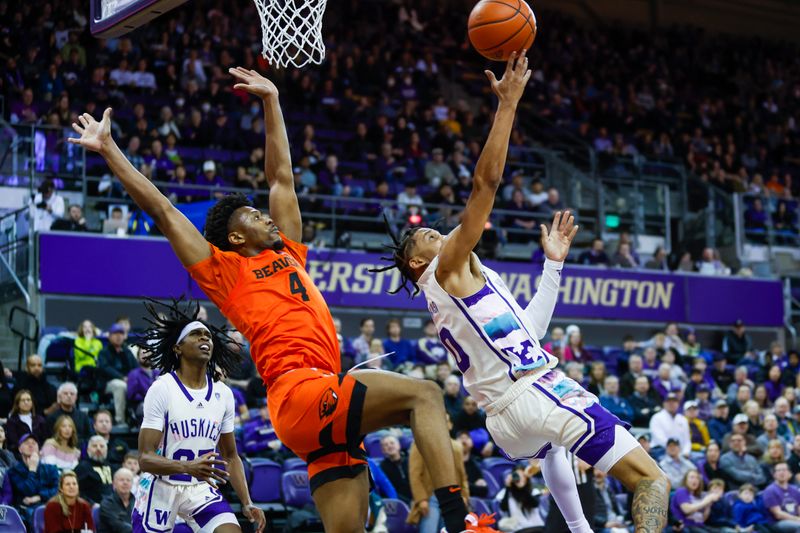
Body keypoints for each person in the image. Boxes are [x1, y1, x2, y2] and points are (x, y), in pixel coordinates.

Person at [71, 66, 473, 533]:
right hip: (300, 392)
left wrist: (272, 101)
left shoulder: (289, 251)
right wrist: (109, 149)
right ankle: (460, 521)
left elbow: (281, 177)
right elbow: (162, 209)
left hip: (321, 404)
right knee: (423, 393)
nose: (268, 216)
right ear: (237, 236)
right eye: (255, 215)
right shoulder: (226, 271)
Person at [372, 50, 669, 533]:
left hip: (506, 420)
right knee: (652, 481)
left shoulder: (462, 285)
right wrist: (507, 104)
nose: (435, 229)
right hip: (531, 390)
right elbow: (484, 184)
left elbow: (527, 331)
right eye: (427, 233)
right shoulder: (446, 268)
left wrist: (553, 266)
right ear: (417, 261)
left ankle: (578, 529)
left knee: (554, 445)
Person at [128, 300, 265, 532]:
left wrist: (246, 502)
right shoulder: (162, 388)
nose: (205, 338)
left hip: (199, 488)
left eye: (208, 335)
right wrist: (187, 467)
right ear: (177, 348)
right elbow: (145, 458)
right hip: (161, 486)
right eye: (196, 334)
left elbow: (231, 456)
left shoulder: (223, 394)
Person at [408, 428, 470, 533]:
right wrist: (421, 498)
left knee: (449, 530)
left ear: (450, 425)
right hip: (431, 496)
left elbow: (462, 475)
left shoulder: (456, 446)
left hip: (452, 495)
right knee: (429, 530)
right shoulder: (420, 444)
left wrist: (464, 495)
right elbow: (414, 474)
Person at [9, 434, 60, 524]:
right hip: (25, 511)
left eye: (34, 443)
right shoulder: (14, 471)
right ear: (20, 449)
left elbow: (58, 490)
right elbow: (27, 491)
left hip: (49, 505)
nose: (31, 445)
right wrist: (32, 470)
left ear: (39, 449)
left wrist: (39, 497)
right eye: (26, 443)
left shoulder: (51, 469)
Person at [97, 323, 138, 426]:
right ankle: (120, 420)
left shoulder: (127, 351)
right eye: (115, 334)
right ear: (110, 336)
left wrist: (133, 378)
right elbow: (105, 368)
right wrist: (121, 377)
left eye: (121, 334)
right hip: (108, 383)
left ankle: (137, 418)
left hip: (128, 381)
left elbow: (136, 368)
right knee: (121, 386)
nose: (119, 336)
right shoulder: (104, 352)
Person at [5, 389, 49, 453]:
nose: (26, 402)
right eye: (23, 400)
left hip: (41, 453)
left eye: (28, 400)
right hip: (19, 454)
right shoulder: (12, 421)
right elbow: (13, 442)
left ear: (32, 402)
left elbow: (46, 439)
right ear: (17, 404)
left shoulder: (40, 420)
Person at [762, 462, 800, 531]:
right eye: (779, 470)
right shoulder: (770, 490)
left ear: (790, 474)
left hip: (795, 519)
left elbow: (799, 508)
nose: (782, 472)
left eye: (784, 470)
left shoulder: (795, 489)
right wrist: (797, 519)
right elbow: (778, 514)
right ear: (774, 475)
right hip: (778, 523)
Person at [98, 467, 135, 533]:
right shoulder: (106, 503)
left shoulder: (138, 503)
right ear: (114, 483)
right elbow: (119, 526)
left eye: (128, 480)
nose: (125, 483)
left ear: (132, 483)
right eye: (121, 480)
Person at [378, 434, 412, 504]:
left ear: (399, 445)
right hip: (398, 503)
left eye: (392, 443)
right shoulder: (382, 467)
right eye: (386, 445)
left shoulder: (410, 460)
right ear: (383, 450)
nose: (389, 446)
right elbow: (386, 490)